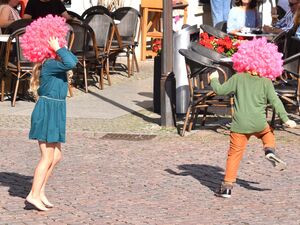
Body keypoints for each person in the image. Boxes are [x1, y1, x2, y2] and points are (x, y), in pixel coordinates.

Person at [209, 37, 297, 198]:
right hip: (259, 122)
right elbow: (276, 102)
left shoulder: (238, 78)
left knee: (234, 154)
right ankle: (269, 149)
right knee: (267, 133)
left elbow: (220, 90)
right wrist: (286, 119)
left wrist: (214, 79)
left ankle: (227, 187)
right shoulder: (266, 82)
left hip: (239, 125)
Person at [20, 15, 78, 211]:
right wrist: (59, 48)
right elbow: (72, 62)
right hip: (47, 111)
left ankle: (40, 190)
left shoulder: (54, 63)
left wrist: (60, 49)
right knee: (47, 157)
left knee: (57, 156)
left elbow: (71, 60)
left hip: (56, 109)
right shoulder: (50, 64)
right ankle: (33, 194)